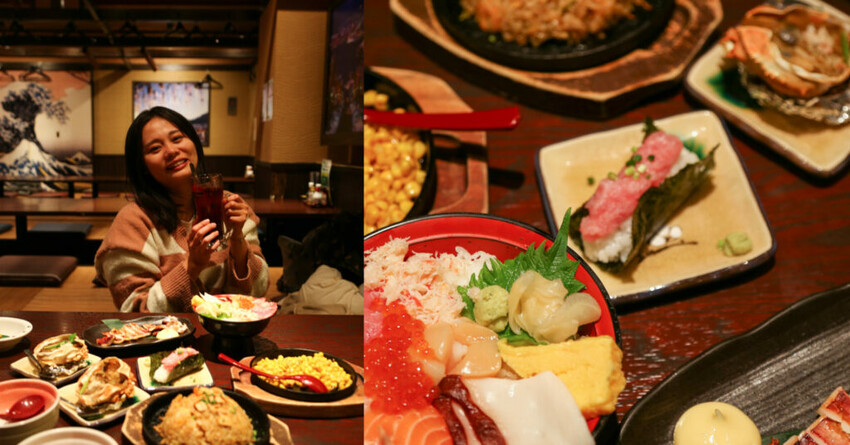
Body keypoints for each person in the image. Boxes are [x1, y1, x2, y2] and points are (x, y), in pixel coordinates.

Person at [95, 107, 269, 312]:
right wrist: (192, 265)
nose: (171, 151)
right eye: (155, 149)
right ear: (142, 165)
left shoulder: (231, 206)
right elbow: (134, 311)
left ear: (194, 142)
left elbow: (258, 292)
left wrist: (237, 238)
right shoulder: (133, 222)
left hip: (233, 337)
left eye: (177, 139)